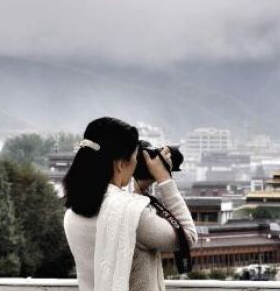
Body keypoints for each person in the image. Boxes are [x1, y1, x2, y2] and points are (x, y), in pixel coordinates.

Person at [62, 117, 197, 291]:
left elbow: (121, 227)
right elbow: (188, 237)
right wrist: (164, 178)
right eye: (134, 157)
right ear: (120, 164)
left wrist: (140, 189)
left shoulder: (72, 212)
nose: (135, 164)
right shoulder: (133, 215)